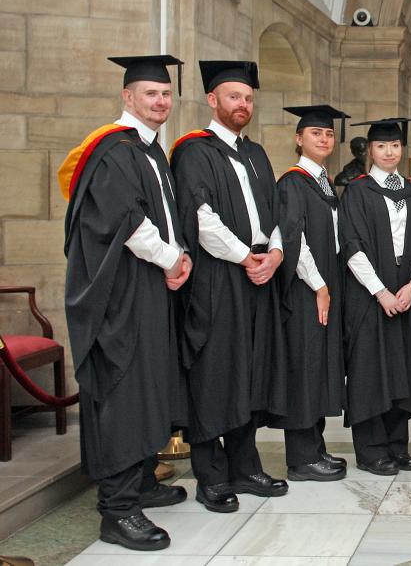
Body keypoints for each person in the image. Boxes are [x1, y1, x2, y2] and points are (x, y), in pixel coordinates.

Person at [59, 55, 190, 550]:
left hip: (147, 286)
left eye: (165, 94)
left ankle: (139, 481)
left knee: (148, 382)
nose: (160, 102)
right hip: (119, 293)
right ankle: (116, 509)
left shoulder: (149, 151)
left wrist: (177, 260)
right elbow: (129, 223)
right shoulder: (113, 150)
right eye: (150, 94)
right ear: (127, 97)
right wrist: (173, 259)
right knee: (122, 388)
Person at [170, 60, 289, 514]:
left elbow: (276, 212)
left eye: (249, 98)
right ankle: (211, 476)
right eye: (234, 97)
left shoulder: (256, 153)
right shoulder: (193, 152)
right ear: (212, 100)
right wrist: (246, 258)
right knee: (215, 373)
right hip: (218, 279)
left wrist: (274, 255)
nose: (243, 105)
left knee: (250, 371)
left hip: (260, 274)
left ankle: (245, 465)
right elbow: (200, 219)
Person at [341, 117, 411, 476]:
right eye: (381, 146)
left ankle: (397, 445)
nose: (389, 152)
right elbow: (351, 245)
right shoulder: (358, 191)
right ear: (371, 151)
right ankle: (370, 450)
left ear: (402, 149)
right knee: (369, 370)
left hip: (406, 291)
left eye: (394, 146)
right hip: (369, 295)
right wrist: (380, 292)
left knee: (400, 369)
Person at [273, 105, 351, 482]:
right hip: (305, 290)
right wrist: (318, 285)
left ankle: (315, 448)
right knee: (304, 368)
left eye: (329, 134)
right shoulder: (292, 182)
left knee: (318, 366)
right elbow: (293, 239)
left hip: (324, 285)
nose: (323, 139)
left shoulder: (322, 181)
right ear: (299, 138)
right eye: (316, 133)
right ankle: (301, 459)